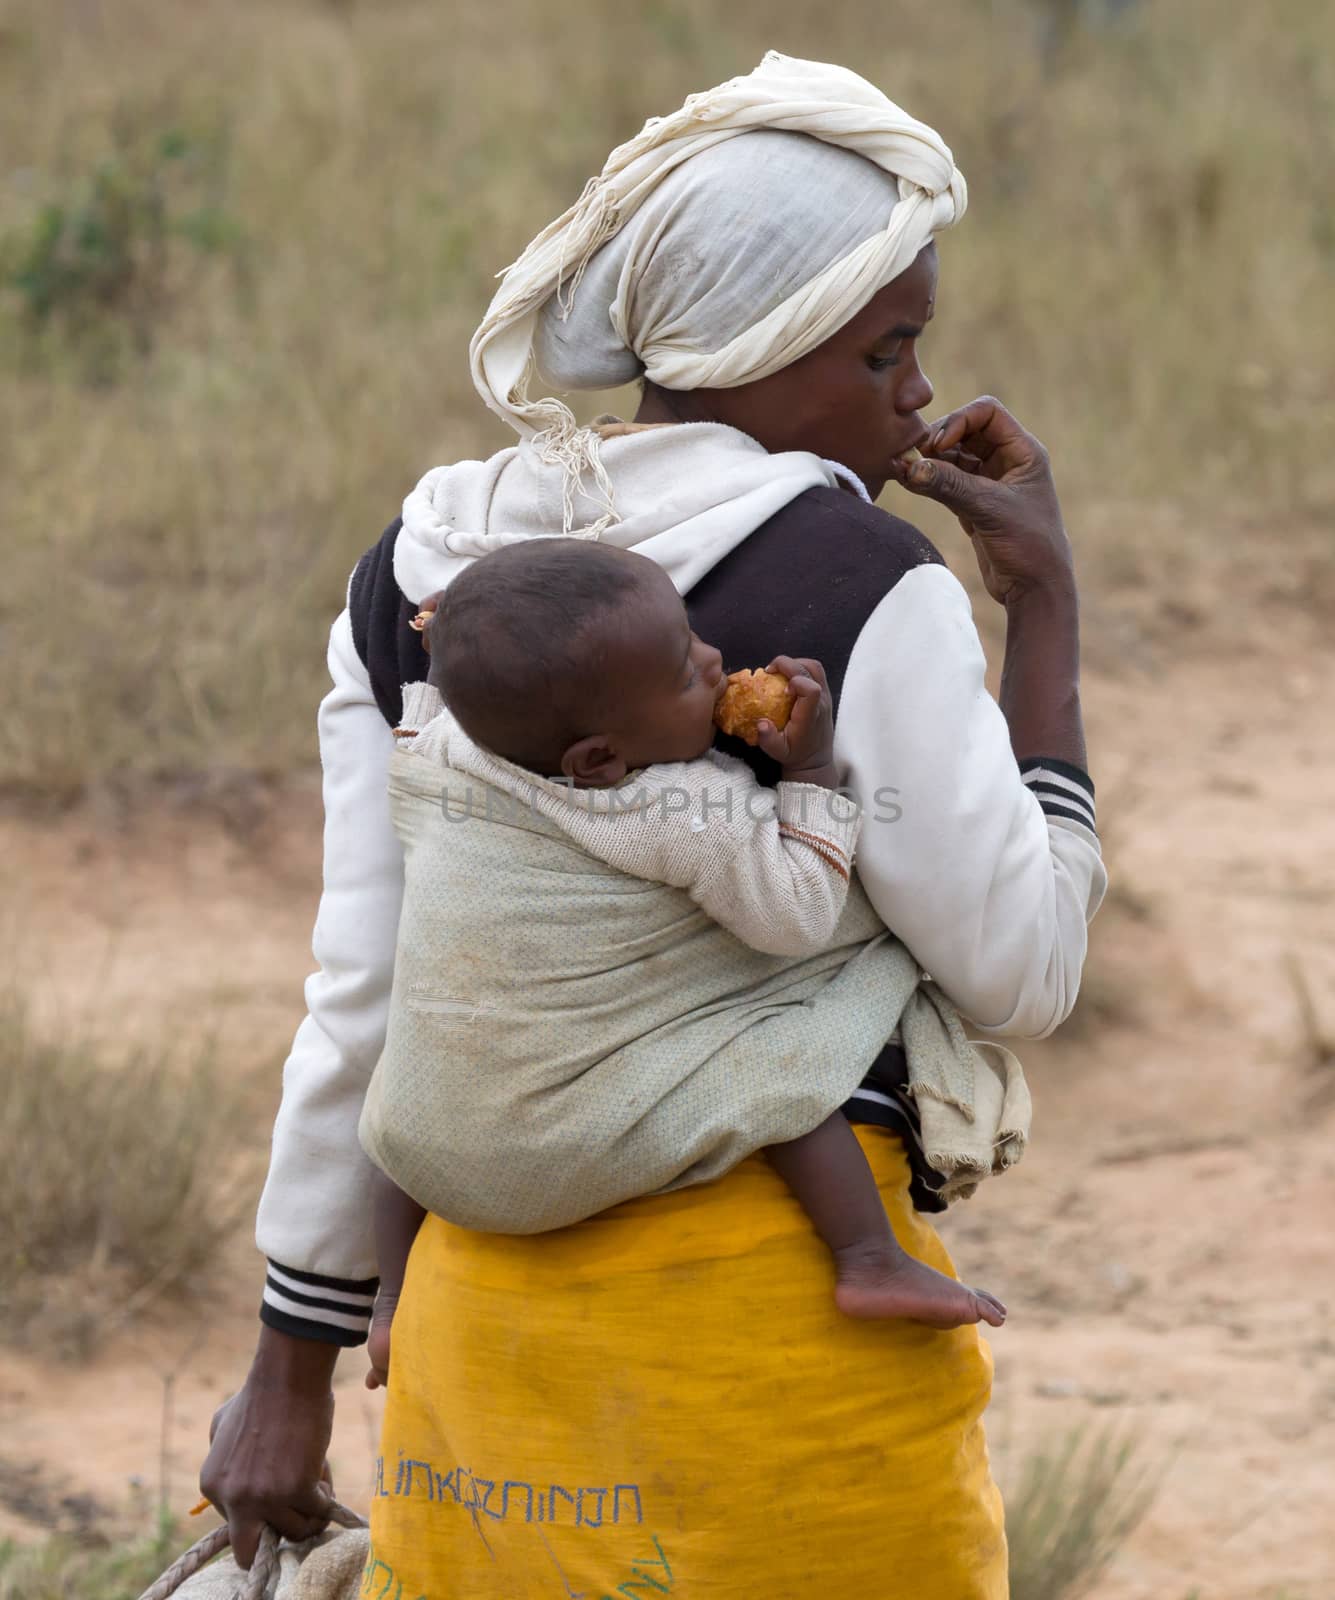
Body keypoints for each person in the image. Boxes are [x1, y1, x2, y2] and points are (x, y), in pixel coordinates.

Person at [201, 53, 1105, 1597]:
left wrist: (290, 1362)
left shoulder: (420, 573)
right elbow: (1018, 970)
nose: (913, 394)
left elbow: (372, 996)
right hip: (761, 1347)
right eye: (887, 349)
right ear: (757, 349)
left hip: (477, 1374)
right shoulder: (856, 580)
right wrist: (1043, 612)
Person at [361, 538, 1009, 1393]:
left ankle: (390, 1300)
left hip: (419, 1152)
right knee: (772, 1058)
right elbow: (796, 917)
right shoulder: (679, 808)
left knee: (410, 1077)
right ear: (597, 759)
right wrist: (809, 773)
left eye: (691, 635)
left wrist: (455, 636)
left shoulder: (441, 755)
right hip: (555, 1151)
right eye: (681, 673)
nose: (712, 661)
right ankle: (867, 1257)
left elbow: (426, 708)